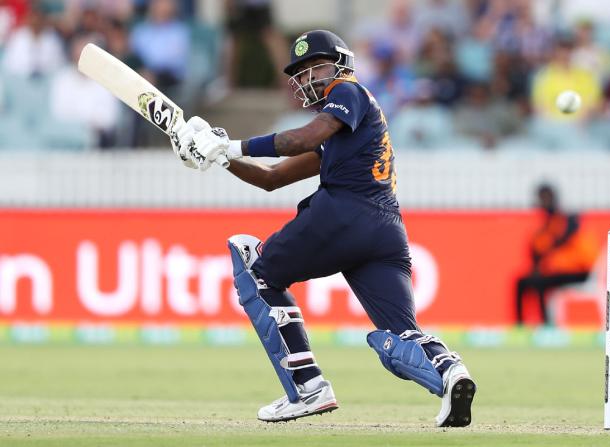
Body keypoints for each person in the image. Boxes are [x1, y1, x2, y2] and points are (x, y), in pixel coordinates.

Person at [169, 30, 476, 426]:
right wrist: (216, 156)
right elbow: (273, 178)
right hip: (386, 233)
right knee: (399, 335)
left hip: (345, 212)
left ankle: (307, 387)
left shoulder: (348, 92)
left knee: (255, 272)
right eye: (304, 71)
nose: (312, 76)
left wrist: (230, 146)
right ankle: (451, 374)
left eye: (319, 66)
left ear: (342, 65)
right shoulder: (340, 132)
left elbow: (300, 139)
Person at [515, 184, 599, 326]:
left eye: (545, 199)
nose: (542, 203)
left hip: (580, 271)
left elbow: (558, 242)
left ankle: (546, 325)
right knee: (523, 282)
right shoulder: (548, 223)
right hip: (562, 271)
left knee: (541, 281)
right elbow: (539, 249)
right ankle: (520, 325)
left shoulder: (568, 220)